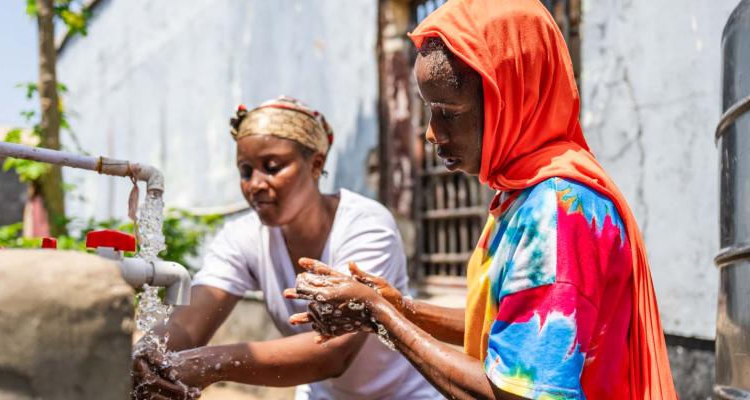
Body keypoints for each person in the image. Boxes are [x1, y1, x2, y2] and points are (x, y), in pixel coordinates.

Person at [286, 1, 677, 399]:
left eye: (448, 113)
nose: (431, 134)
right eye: (428, 111)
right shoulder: (522, 194)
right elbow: (508, 325)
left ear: (512, 97)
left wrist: (379, 315)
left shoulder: (556, 212)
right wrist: (400, 307)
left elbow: (514, 394)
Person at [131, 96, 441, 400]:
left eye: (272, 167)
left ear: (316, 164)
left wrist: (212, 363)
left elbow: (334, 353)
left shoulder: (365, 227)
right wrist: (148, 355)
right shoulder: (243, 238)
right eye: (246, 171)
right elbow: (189, 324)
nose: (255, 184)